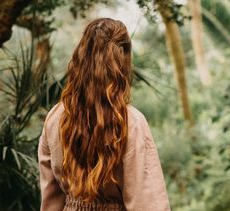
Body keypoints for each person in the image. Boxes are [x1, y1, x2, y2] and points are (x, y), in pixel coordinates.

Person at [38, 18, 170, 211]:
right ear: (123, 59)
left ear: (81, 56)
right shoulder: (130, 122)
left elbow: (50, 200)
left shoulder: (55, 117)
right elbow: (148, 203)